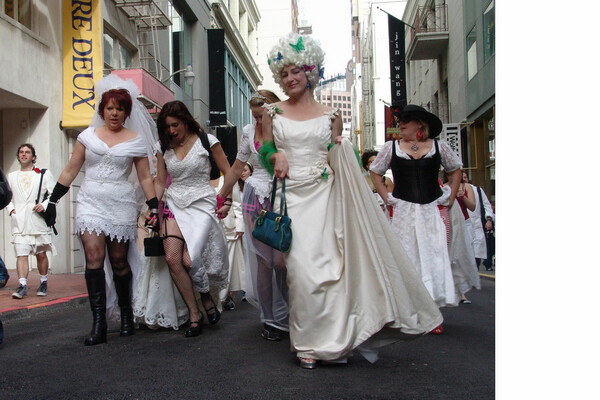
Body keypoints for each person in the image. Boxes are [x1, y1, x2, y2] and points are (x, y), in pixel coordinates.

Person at [260, 33, 442, 369]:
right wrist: (274, 157)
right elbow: (265, 148)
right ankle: (307, 339)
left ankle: (331, 340)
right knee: (299, 270)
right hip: (291, 199)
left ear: (310, 72)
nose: (290, 79)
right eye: (284, 74)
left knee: (330, 268)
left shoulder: (331, 116)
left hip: (325, 195)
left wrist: (344, 150)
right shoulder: (272, 112)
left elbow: (339, 158)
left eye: (296, 71)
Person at [45, 75, 160, 345]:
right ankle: (98, 322)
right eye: (110, 108)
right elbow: (72, 169)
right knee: (94, 257)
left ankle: (127, 314)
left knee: (119, 261)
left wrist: (154, 207)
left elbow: (144, 178)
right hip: (90, 201)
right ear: (102, 110)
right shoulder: (87, 136)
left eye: (120, 108)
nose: (114, 113)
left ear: (126, 112)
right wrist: (53, 200)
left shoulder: (135, 141)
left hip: (120, 202)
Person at [369, 104, 463, 335]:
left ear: (420, 124)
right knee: (406, 257)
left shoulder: (439, 146)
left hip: (431, 209)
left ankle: (432, 314)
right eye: (400, 120)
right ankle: (406, 312)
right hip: (403, 210)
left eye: (406, 120)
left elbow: (455, 169)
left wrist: (450, 196)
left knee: (433, 256)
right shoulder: (392, 148)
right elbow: (375, 171)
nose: (400, 124)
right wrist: (388, 197)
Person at [153, 100, 231, 338]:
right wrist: (152, 208)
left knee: (191, 259)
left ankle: (207, 296)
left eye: (174, 125)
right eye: (167, 127)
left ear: (185, 121)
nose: (171, 131)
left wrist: (225, 200)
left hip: (202, 202)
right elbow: (159, 180)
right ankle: (194, 313)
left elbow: (229, 172)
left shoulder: (208, 141)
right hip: (174, 202)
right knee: (172, 258)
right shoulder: (163, 147)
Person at [218, 90, 289, 341]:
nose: (258, 121)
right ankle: (269, 318)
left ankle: (289, 314)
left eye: (261, 116)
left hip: (281, 196)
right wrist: (223, 195)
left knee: (282, 262)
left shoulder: (284, 129)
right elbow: (238, 166)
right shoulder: (248, 132)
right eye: (255, 116)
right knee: (264, 261)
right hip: (254, 198)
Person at [5, 144, 57, 299]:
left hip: (37, 221)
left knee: (41, 254)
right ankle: (22, 285)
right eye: (21, 152)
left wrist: (45, 205)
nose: (24, 154)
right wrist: (11, 209)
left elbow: (54, 193)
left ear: (33, 157)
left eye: (27, 152)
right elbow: (6, 196)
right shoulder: (12, 176)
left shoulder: (43, 174)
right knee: (21, 254)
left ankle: (43, 282)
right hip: (19, 221)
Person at [216, 162, 252, 311]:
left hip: (228, 228)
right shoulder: (201, 179)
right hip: (209, 227)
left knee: (228, 264)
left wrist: (240, 227)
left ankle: (222, 298)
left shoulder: (227, 179)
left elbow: (236, 203)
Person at [463, 172, 495, 270]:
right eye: (462, 177)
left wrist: (488, 219)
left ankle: (475, 274)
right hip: (462, 226)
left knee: (476, 253)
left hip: (476, 225)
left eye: (465, 177)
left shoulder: (477, 190)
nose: (464, 179)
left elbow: (486, 205)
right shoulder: (454, 190)